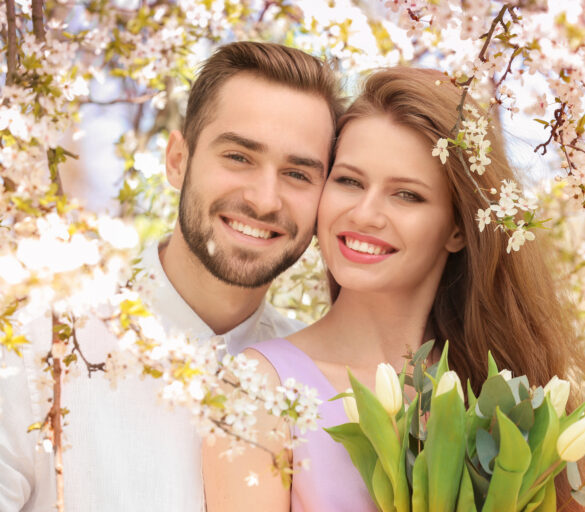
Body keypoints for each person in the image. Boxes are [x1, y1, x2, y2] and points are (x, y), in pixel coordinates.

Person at [203, 67, 585, 511]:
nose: (365, 214)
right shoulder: (258, 388)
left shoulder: (507, 398)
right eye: (349, 181)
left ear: (458, 230)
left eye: (406, 195)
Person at [0, 41, 344, 511]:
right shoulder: (38, 336)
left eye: (298, 174)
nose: (265, 200)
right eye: (238, 157)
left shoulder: (317, 386)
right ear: (177, 161)